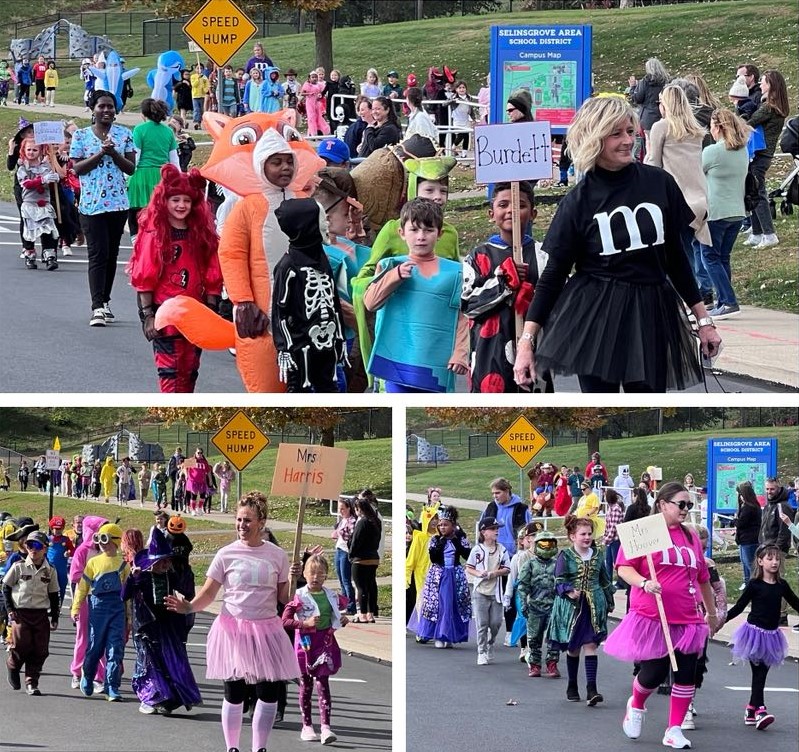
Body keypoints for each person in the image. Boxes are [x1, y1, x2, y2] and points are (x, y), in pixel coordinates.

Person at [513, 96, 721, 393]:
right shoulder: (578, 202)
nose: (627, 141)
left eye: (630, 131)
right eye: (616, 133)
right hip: (596, 319)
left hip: (651, 311)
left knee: (648, 405)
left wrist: (704, 321)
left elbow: (675, 258)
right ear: (594, 138)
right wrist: (527, 342)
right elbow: (554, 276)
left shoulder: (659, 183)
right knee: (601, 410)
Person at [165, 491, 298, 752]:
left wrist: (295, 578)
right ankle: (232, 748)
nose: (241, 525)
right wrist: (189, 606)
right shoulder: (226, 554)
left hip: (267, 629)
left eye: (247, 520)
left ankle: (260, 747)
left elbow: (285, 597)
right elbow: (209, 593)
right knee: (234, 692)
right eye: (239, 520)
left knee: (268, 693)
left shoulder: (277, 555)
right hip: (233, 628)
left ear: (261, 522)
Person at [605, 482, 720, 750]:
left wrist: (711, 612)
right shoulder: (645, 531)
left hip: (687, 616)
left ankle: (674, 728)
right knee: (654, 672)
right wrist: (644, 582)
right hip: (653, 615)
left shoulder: (691, 536)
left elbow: (703, 578)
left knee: (685, 673)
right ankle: (636, 703)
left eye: (689, 505)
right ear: (663, 504)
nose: (686, 510)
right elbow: (623, 567)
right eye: (681, 504)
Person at [127, 164, 222, 393]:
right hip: (165, 312)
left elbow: (212, 270)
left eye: (186, 201)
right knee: (170, 372)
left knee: (190, 369)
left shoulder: (202, 233)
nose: (181, 205)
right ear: (164, 201)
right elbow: (144, 275)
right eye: (175, 200)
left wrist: (211, 306)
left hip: (195, 311)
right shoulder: (155, 233)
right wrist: (147, 316)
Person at [363, 197, 468, 392]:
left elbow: (463, 316)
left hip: (438, 365)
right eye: (414, 229)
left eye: (428, 230)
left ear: (440, 234)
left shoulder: (456, 272)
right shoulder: (390, 266)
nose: (421, 236)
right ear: (402, 233)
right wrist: (395, 277)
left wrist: (461, 351)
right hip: (397, 365)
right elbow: (370, 303)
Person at [462, 180, 550, 393]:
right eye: (503, 205)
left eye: (520, 205)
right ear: (491, 213)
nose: (511, 210)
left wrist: (534, 296)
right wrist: (502, 283)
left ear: (533, 213)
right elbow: (468, 305)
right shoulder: (478, 256)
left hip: (535, 352)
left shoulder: (544, 255)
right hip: (489, 354)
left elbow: (559, 299)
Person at [70, 89, 135, 327]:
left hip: (118, 204)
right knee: (97, 254)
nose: (106, 110)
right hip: (91, 204)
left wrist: (114, 152)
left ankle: (105, 301)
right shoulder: (81, 136)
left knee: (111, 254)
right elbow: (77, 169)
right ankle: (96, 306)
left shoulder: (125, 134)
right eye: (101, 106)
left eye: (110, 106)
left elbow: (130, 168)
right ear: (93, 109)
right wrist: (101, 153)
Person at [645, 84, 714, 306]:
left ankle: (674, 299)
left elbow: (654, 163)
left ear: (665, 104)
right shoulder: (695, 129)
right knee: (692, 250)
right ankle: (702, 292)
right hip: (699, 198)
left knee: (670, 254)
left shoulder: (661, 127)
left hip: (674, 199)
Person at [122, 530, 202, 715]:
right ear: (153, 562)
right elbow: (124, 595)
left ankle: (168, 700)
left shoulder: (170, 576)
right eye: (163, 561)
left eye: (169, 561)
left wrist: (185, 568)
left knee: (169, 662)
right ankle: (149, 698)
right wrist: (132, 579)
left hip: (167, 626)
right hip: (145, 626)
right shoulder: (142, 577)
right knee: (148, 662)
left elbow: (188, 592)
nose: (166, 564)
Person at [272, 198, 347, 392]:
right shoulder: (287, 266)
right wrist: (283, 348)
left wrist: (340, 338)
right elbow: (279, 311)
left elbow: (333, 302)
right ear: (306, 226)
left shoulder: (322, 259)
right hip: (300, 347)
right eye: (321, 219)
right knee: (299, 392)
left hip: (328, 344)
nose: (326, 223)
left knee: (330, 391)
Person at [724, 543, 799, 729]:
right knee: (759, 673)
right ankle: (761, 710)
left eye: (777, 558)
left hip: (772, 636)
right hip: (753, 635)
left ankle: (751, 708)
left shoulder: (782, 585)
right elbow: (739, 606)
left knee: (761, 674)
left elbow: (797, 603)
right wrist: (720, 620)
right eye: (769, 558)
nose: (774, 562)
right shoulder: (754, 585)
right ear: (760, 561)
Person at [281, 554, 348, 744]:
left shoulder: (331, 595)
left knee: (323, 683)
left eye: (320, 573)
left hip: (325, 642)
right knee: (306, 684)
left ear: (326, 575)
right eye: (311, 573)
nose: (315, 577)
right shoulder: (299, 596)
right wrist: (304, 623)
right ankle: (307, 725)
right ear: (305, 574)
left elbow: (339, 613)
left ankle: (326, 727)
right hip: (305, 643)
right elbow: (285, 621)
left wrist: (342, 620)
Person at [547, 515, 613, 704]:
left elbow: (605, 579)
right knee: (574, 648)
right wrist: (568, 591)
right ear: (572, 536)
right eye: (582, 534)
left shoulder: (598, 554)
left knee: (591, 645)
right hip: (572, 607)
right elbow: (559, 579)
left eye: (589, 534)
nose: (587, 537)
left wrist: (609, 600)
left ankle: (592, 689)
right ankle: (572, 685)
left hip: (593, 605)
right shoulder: (565, 555)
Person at [696, 108, 750, 319]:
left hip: (716, 211)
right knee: (722, 258)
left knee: (709, 256)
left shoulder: (712, 151)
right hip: (737, 211)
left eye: (711, 125)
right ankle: (723, 299)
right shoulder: (742, 150)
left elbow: (696, 172)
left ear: (718, 127)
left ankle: (728, 300)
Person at [70, 522, 130, 700]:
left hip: (117, 609)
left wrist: (128, 617)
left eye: (106, 539)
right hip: (97, 607)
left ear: (116, 541)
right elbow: (82, 587)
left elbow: (128, 596)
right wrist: (76, 606)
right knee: (95, 646)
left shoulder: (123, 565)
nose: (102, 543)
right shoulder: (93, 563)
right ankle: (87, 675)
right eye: (100, 538)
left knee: (115, 648)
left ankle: (112, 685)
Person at [2, 531, 59, 695]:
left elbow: (54, 594)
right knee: (22, 645)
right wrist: (10, 610)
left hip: (40, 613)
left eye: (38, 546)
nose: (33, 549)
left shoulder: (50, 571)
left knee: (41, 650)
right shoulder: (18, 566)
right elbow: (6, 588)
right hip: (21, 613)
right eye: (30, 545)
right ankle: (13, 665)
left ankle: (31, 682)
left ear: (45, 549)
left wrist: (54, 617)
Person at [741, 69, 789, 249]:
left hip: (760, 156)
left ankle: (769, 234)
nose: (760, 84)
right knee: (753, 191)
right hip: (762, 155)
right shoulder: (771, 105)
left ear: (771, 85)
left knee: (758, 193)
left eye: (763, 82)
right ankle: (756, 232)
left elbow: (748, 122)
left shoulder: (769, 108)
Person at [127, 98, 179, 240]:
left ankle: (136, 241)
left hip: (141, 176)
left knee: (135, 212)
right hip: (161, 177)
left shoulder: (139, 129)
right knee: (159, 213)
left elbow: (136, 156)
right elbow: (174, 159)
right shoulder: (168, 131)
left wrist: (127, 176)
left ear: (143, 114)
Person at [466, 517, 511, 665]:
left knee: (496, 623)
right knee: (482, 623)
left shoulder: (502, 549)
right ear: (484, 532)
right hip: (480, 591)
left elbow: (507, 569)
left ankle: (491, 643)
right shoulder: (477, 550)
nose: (496, 531)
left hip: (496, 592)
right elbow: (469, 567)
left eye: (497, 529)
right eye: (493, 529)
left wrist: (494, 573)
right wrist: (479, 574)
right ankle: (481, 651)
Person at [517, 529, 560, 677]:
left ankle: (552, 665)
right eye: (543, 544)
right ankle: (535, 665)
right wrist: (523, 603)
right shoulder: (529, 565)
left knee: (554, 637)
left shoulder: (558, 564)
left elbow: (565, 584)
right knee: (534, 638)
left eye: (550, 544)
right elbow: (522, 586)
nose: (547, 547)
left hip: (554, 607)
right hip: (535, 606)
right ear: (536, 545)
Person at [16, 138, 60, 271]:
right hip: (30, 204)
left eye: (35, 150)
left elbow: (50, 180)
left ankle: (49, 255)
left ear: (41, 151)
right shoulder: (23, 168)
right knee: (30, 231)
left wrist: (54, 178)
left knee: (48, 230)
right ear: (23, 151)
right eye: (28, 149)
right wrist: (42, 179)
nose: (31, 152)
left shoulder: (45, 167)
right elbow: (26, 184)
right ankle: (30, 254)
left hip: (44, 203)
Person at [349, 498, 381, 624]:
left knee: (361, 586)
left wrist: (351, 554)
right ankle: (370, 613)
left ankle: (362, 614)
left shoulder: (362, 522)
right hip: (373, 557)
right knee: (371, 585)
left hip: (361, 559)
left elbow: (356, 541)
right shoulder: (376, 521)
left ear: (359, 509)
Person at [628, 57, 670, 144]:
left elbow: (637, 99)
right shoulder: (667, 81)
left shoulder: (645, 82)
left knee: (649, 145)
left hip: (648, 119)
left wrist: (633, 88)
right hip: (665, 116)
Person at [732, 481, 762, 588]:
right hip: (744, 540)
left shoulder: (750, 507)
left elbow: (741, 523)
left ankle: (755, 585)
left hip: (750, 540)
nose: (739, 497)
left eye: (740, 494)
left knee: (750, 565)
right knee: (745, 563)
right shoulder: (747, 506)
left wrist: (734, 521)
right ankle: (748, 584)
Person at [332, 497, 357, 615]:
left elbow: (350, 537)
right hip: (339, 549)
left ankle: (351, 607)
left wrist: (341, 532)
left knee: (346, 580)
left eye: (343, 509)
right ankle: (344, 604)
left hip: (346, 552)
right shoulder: (342, 520)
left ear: (349, 508)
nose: (340, 511)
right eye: (339, 509)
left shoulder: (352, 521)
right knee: (341, 579)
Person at [46, 516, 74, 606]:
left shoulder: (66, 540)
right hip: (49, 568)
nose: (57, 531)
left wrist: (68, 552)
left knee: (62, 586)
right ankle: (47, 605)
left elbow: (73, 550)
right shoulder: (48, 539)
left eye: (60, 529)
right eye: (55, 529)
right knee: (48, 586)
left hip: (61, 568)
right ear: (51, 528)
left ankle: (59, 606)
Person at [601, 488, 624, 585]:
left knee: (617, 562)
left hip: (615, 540)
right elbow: (608, 526)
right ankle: (608, 582)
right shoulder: (610, 508)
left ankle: (621, 582)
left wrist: (605, 540)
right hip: (610, 540)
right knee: (608, 562)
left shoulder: (615, 509)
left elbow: (614, 528)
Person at [300, 70, 329, 137]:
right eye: (313, 77)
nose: (314, 79)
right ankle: (313, 133)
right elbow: (302, 93)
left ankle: (323, 130)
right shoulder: (307, 84)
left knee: (318, 116)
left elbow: (322, 92)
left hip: (317, 102)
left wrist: (320, 95)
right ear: (309, 78)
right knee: (311, 117)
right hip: (310, 102)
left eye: (315, 77)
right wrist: (309, 94)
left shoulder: (319, 85)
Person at [190, 63, 209, 130]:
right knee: (196, 109)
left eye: (201, 68)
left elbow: (207, 85)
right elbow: (194, 85)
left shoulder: (204, 77)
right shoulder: (193, 76)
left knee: (201, 110)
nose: (199, 70)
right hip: (195, 96)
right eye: (198, 68)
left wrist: (205, 90)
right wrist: (198, 78)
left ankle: (200, 123)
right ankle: (196, 122)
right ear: (195, 69)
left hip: (202, 95)